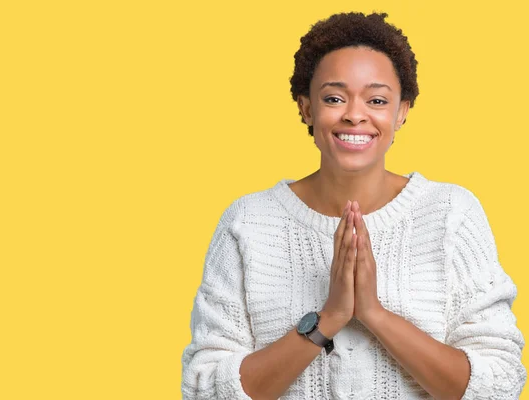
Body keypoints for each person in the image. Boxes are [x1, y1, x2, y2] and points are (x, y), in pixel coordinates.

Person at [180, 11, 526, 400]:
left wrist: (374, 313)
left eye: (377, 99)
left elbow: (498, 384)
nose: (355, 114)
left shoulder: (451, 214)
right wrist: (328, 319)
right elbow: (204, 390)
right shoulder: (247, 223)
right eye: (333, 98)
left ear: (402, 112)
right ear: (307, 108)